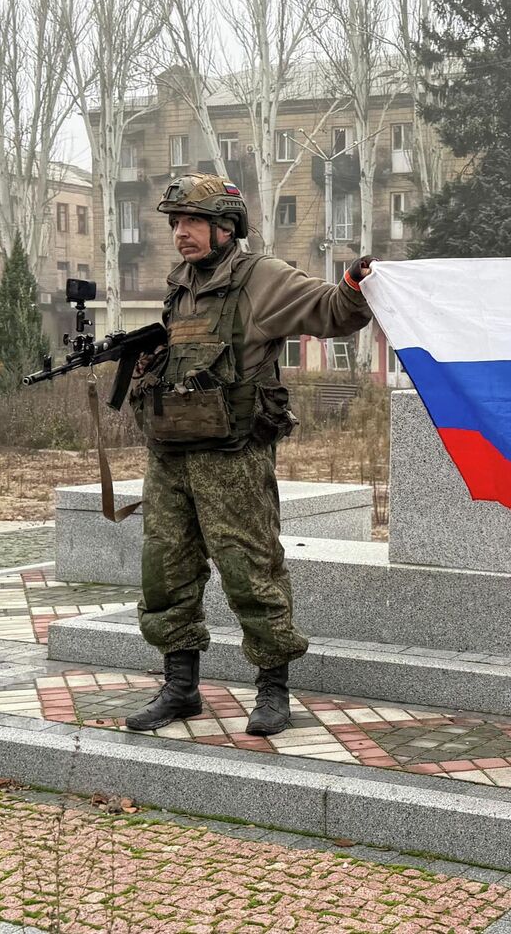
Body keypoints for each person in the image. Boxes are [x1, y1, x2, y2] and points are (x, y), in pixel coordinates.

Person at [123, 172, 375, 737]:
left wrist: (355, 284)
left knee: (250, 570)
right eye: (176, 222)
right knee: (165, 570)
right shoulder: (181, 283)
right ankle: (181, 688)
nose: (181, 233)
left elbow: (332, 310)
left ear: (225, 226)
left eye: (193, 221)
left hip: (232, 456)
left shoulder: (262, 277)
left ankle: (272, 689)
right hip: (171, 453)